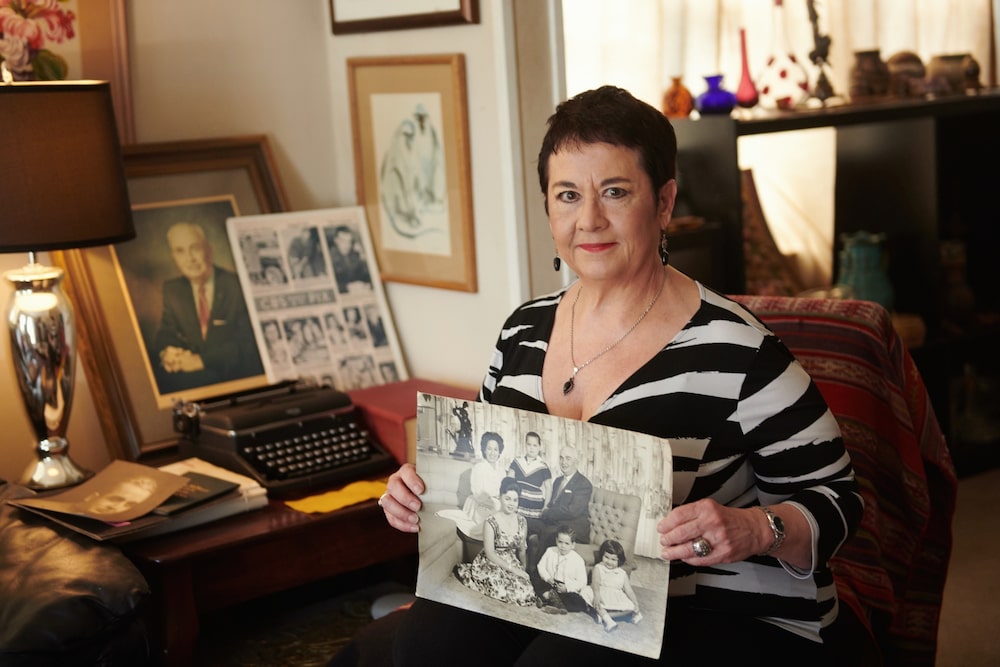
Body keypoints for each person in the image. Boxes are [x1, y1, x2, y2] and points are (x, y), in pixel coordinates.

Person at [367, 86, 863, 665]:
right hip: (561, 588)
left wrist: (754, 528)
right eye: (568, 195)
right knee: (429, 638)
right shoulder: (522, 332)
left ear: (665, 202)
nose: (590, 220)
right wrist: (422, 490)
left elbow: (838, 501)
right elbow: (485, 466)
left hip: (725, 612)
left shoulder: (739, 350)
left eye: (616, 192)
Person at [153, 222, 263, 392]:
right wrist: (168, 353)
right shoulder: (172, 289)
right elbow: (167, 331)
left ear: (209, 250)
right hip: (196, 388)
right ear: (173, 256)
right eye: (180, 251)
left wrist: (201, 360)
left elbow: (249, 343)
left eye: (195, 248)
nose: (190, 258)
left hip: (240, 385)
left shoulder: (237, 285)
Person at [452, 477, 536, 607]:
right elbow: (490, 553)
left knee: (527, 592)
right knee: (504, 590)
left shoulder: (522, 521)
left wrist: (523, 568)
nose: (511, 504)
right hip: (491, 562)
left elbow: (521, 549)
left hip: (511, 560)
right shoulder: (491, 521)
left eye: (515, 500)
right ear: (500, 497)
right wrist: (513, 570)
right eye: (507, 498)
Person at [526, 445, 591, 571]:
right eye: (561, 458)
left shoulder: (583, 484)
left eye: (568, 458)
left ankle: (536, 573)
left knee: (549, 532)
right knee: (525, 522)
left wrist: (547, 513)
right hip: (556, 522)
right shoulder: (558, 481)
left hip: (575, 526)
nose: (564, 462)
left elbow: (572, 511)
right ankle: (519, 562)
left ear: (576, 462)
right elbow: (551, 504)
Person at [437, 431, 508, 539]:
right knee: (493, 525)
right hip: (479, 504)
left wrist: (501, 504)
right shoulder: (479, 468)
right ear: (484, 449)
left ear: (499, 452)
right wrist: (495, 504)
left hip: (495, 504)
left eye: (495, 449)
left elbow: (503, 492)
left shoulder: (502, 471)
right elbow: (478, 494)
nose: (492, 453)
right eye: (489, 448)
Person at [581, 539, 642, 632]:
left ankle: (604, 616)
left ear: (619, 560)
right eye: (606, 557)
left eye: (613, 559)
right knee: (587, 593)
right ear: (602, 556)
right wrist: (597, 595)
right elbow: (595, 582)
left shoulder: (622, 573)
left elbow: (629, 590)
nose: (609, 561)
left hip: (615, 596)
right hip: (600, 593)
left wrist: (635, 603)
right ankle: (609, 621)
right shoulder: (598, 568)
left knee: (631, 607)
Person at [532, 526, 588, 615]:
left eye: (567, 543)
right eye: (560, 542)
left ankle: (549, 600)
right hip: (550, 583)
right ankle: (551, 599)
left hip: (564, 588)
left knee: (578, 601)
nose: (562, 546)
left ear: (573, 545)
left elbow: (582, 582)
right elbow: (541, 566)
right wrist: (547, 578)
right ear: (556, 540)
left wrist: (567, 588)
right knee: (534, 579)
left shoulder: (578, 560)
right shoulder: (550, 551)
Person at [506, 431, 552, 519]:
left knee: (532, 528)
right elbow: (508, 481)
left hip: (535, 505)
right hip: (518, 503)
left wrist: (546, 506)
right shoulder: (517, 461)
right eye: (529, 444)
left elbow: (549, 488)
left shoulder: (543, 466)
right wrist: (509, 501)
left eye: (535, 445)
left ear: (539, 447)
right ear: (525, 445)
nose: (532, 448)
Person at [326, 225, 372, 294]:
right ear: (336, 240)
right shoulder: (329, 257)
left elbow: (366, 274)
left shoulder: (355, 254)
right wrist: (347, 287)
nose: (347, 245)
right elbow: (330, 284)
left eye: (349, 241)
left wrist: (362, 255)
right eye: (343, 241)